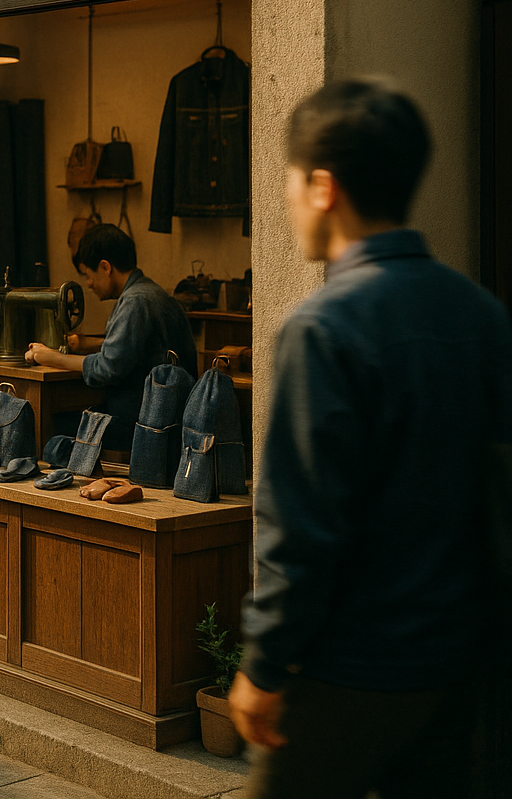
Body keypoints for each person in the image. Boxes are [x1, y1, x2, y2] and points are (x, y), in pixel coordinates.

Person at [228, 80, 510, 797]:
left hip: (346, 674)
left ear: (323, 187)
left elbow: (299, 527)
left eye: (289, 179)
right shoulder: (482, 315)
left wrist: (264, 665)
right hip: (457, 669)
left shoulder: (323, 328)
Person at [26, 223, 195, 451]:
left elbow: (108, 368)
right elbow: (141, 348)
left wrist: (50, 357)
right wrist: (92, 343)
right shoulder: (153, 292)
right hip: (168, 417)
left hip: (139, 423)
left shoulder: (135, 301)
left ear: (105, 267)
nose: (89, 284)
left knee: (50, 425)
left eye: (88, 275)